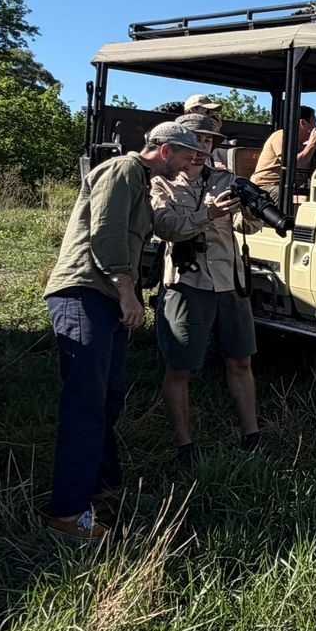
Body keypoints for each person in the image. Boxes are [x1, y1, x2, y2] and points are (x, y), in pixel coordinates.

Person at [41, 121, 207, 542]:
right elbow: (107, 235)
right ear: (165, 150)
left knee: (109, 398)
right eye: (190, 154)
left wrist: (211, 213)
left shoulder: (144, 181)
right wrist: (127, 292)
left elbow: (165, 229)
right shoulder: (122, 171)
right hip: (86, 293)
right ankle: (68, 513)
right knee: (86, 402)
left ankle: (101, 489)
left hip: (108, 299)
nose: (195, 162)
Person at [152, 113, 263, 470]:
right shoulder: (162, 183)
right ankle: (184, 443)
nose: (202, 149)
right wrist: (208, 212)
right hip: (188, 282)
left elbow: (248, 227)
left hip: (229, 281)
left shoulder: (227, 180)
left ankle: (252, 434)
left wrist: (253, 210)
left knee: (241, 359)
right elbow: (167, 227)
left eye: (209, 141)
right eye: (197, 141)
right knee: (181, 366)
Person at [249, 104, 316, 196]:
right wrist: (312, 145)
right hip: (266, 188)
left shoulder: (303, 146)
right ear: (303, 123)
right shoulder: (281, 136)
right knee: (286, 196)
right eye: (314, 123)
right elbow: (292, 165)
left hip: (290, 188)